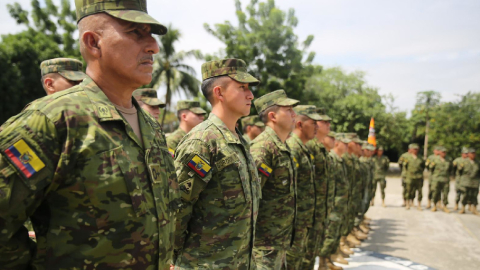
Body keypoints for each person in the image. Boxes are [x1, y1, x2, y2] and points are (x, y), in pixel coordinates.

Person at [0, 0, 179, 269]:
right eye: (135, 32)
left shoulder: (150, 127)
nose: (153, 46)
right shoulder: (51, 121)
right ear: (94, 43)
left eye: (151, 34)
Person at [173, 58, 261, 269]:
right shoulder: (202, 142)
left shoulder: (239, 140)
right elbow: (177, 208)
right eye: (242, 88)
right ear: (219, 93)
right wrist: (172, 258)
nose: (251, 95)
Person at [250, 90, 299, 269]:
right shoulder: (263, 148)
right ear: (273, 116)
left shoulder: (282, 146)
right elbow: (251, 198)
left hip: (279, 242)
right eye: (289, 110)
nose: (295, 115)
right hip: (264, 247)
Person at [286, 105, 320, 269]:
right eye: (313, 123)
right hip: (294, 225)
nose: (317, 127)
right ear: (300, 124)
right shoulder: (293, 148)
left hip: (303, 222)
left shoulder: (303, 148)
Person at [320, 133, 350, 270]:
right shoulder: (331, 158)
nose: (347, 146)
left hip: (339, 204)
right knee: (329, 234)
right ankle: (322, 263)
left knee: (335, 233)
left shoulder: (339, 160)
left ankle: (329, 259)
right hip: (333, 205)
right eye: (345, 143)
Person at [428, 146, 451, 212]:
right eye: (442, 152)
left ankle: (445, 206)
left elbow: (451, 169)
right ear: (439, 152)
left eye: (445, 152)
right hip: (436, 179)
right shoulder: (434, 159)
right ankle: (434, 205)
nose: (444, 153)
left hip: (445, 179)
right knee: (435, 192)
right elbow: (431, 169)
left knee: (445, 193)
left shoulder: (448, 159)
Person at [458, 148, 479, 215]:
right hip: (466, 182)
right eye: (471, 153)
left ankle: (474, 209)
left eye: (474, 153)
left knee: (474, 196)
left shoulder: (478, 162)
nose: (473, 155)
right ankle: (463, 208)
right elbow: (460, 172)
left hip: (475, 182)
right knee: (465, 195)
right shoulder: (464, 162)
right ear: (468, 154)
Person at [404, 143, 425, 210]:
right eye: (414, 149)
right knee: (408, 190)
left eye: (416, 149)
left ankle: (419, 205)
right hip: (410, 176)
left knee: (420, 191)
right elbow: (404, 166)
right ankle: (407, 204)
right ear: (411, 150)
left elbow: (423, 166)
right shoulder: (407, 158)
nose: (415, 150)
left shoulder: (420, 158)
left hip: (419, 177)